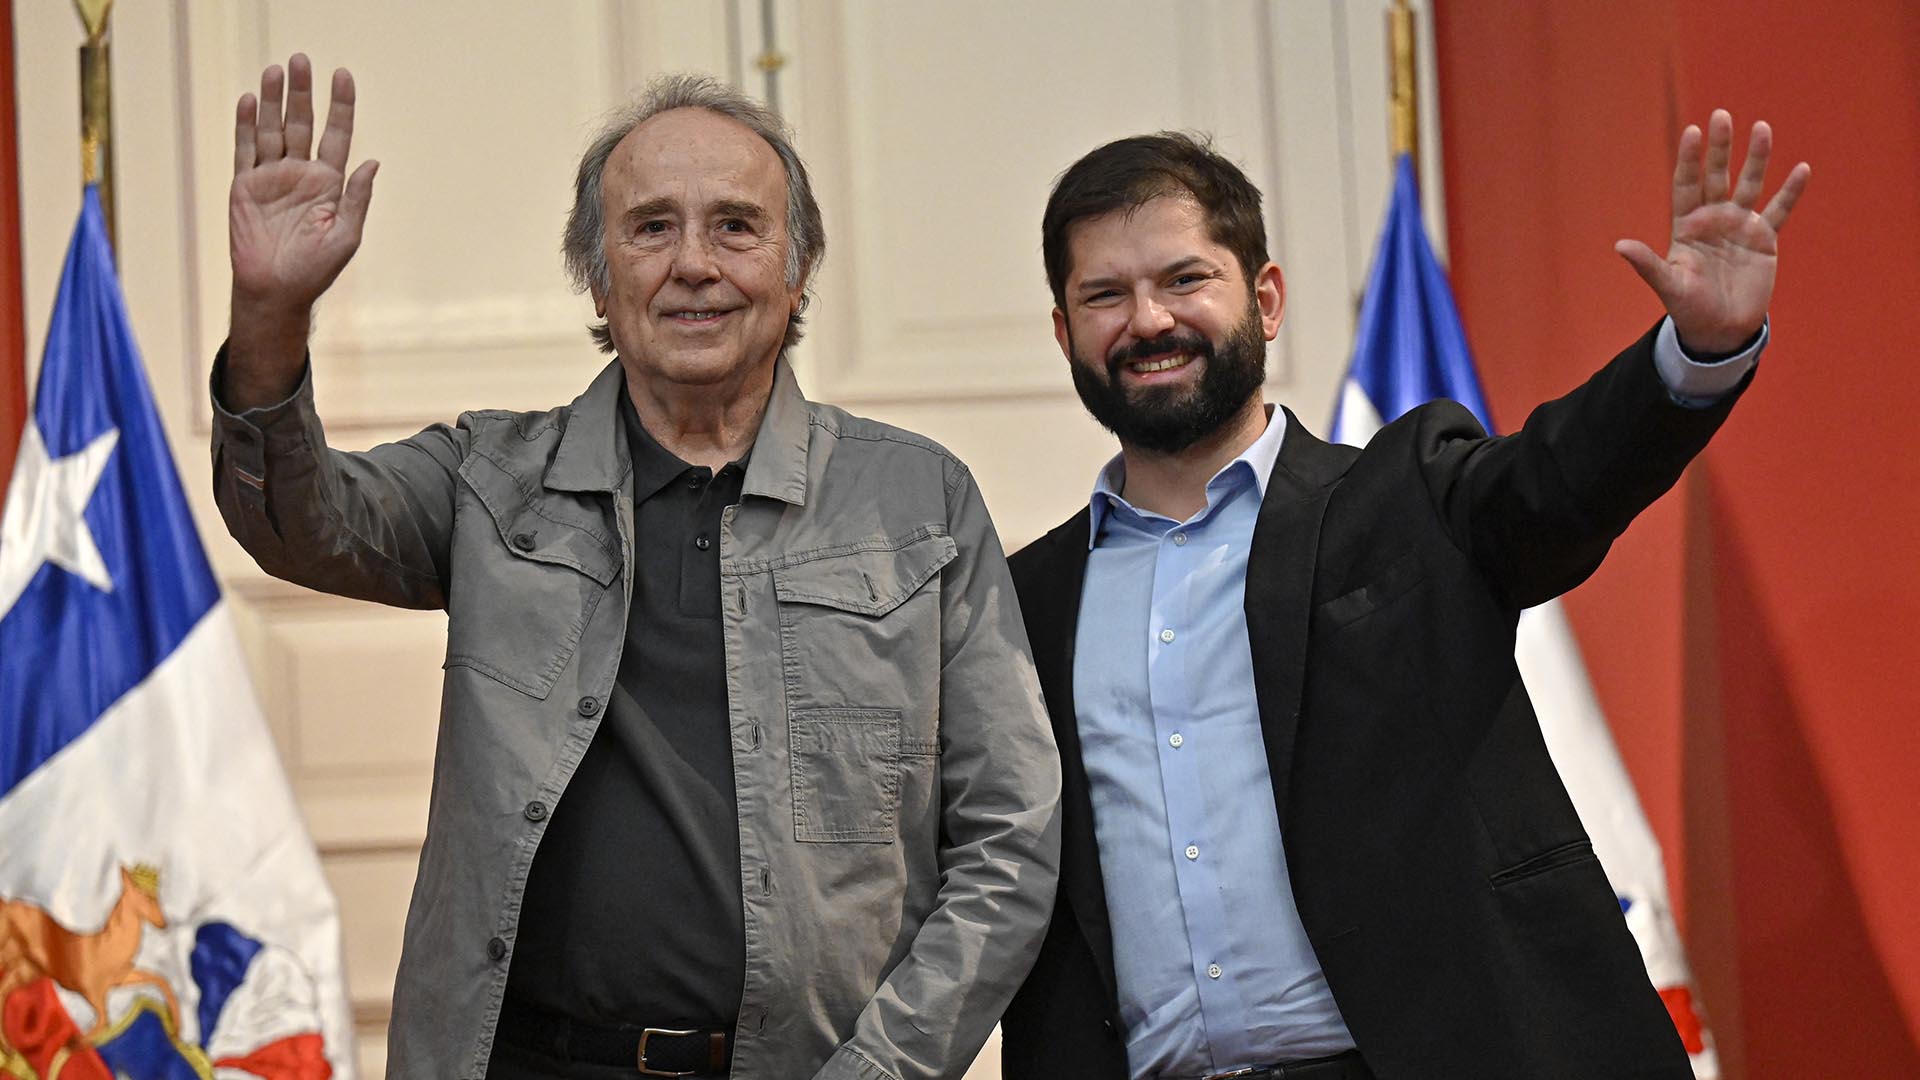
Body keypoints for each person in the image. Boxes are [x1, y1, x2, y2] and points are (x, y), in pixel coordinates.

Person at [210, 55, 1060, 1080]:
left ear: (797, 272)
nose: (693, 263)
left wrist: (883, 1070)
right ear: (599, 279)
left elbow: (1011, 838)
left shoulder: (918, 501)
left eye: (735, 226)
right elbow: (299, 523)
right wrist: (269, 318)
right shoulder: (491, 479)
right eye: (651, 227)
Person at [999, 114, 1808, 1080]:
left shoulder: (1407, 495)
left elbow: (1559, 480)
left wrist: (1697, 350)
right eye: (1105, 294)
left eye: (1184, 280)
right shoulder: (1020, 603)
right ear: (1065, 332)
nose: (1148, 321)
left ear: (1266, 298)